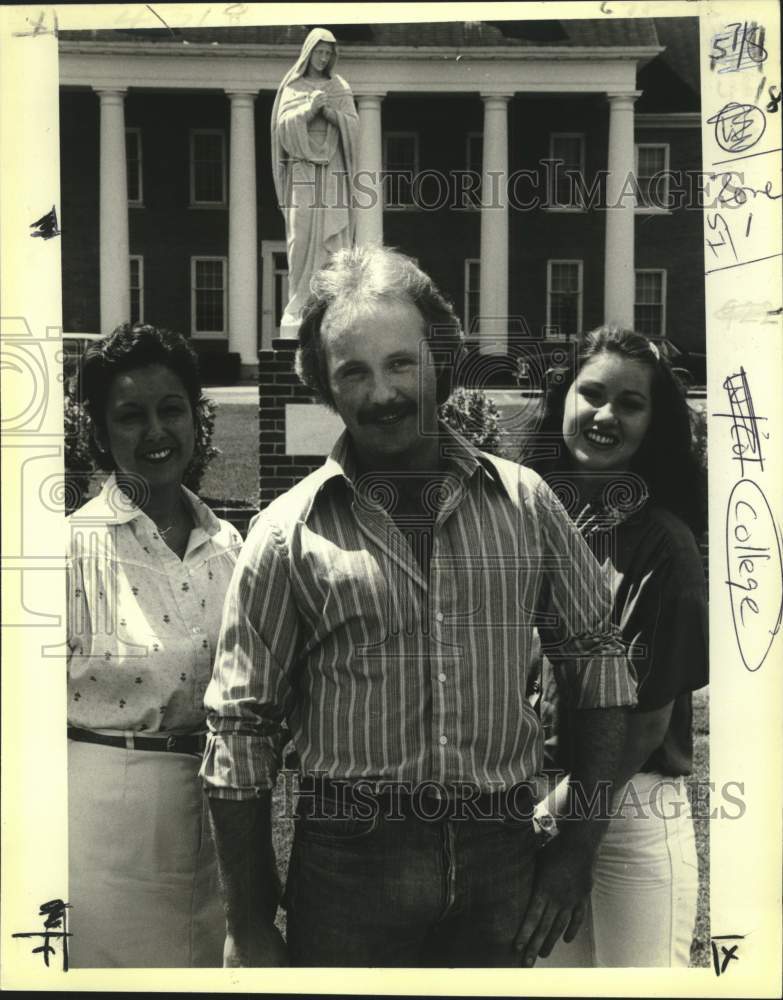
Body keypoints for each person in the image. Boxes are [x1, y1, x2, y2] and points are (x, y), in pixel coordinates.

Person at [200, 245, 638, 968]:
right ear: (325, 389)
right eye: (353, 372)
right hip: (348, 866)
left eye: (400, 362)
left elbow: (597, 670)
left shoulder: (525, 505)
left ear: (439, 358)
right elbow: (240, 733)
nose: (382, 393)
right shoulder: (285, 534)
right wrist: (248, 921)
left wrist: (573, 854)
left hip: (500, 855)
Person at [525, 325, 708, 967]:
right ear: (564, 402)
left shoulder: (666, 545)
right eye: (592, 394)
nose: (605, 415)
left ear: (652, 425)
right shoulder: (532, 525)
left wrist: (568, 832)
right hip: (541, 800)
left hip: (629, 809)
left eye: (630, 404)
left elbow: (648, 722)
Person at [66, 323, 243, 967]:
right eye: (130, 416)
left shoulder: (230, 546)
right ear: (102, 432)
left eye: (171, 409)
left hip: (219, 817)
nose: (156, 432)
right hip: (106, 822)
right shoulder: (69, 550)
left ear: (197, 418)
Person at [271, 27, 359, 337]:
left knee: (333, 241)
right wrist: (309, 110)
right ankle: (299, 304)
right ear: (308, 53)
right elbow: (282, 131)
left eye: (328, 53)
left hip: (332, 170)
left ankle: (331, 303)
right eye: (319, 52)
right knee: (301, 236)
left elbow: (353, 128)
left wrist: (330, 112)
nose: (323, 58)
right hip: (303, 169)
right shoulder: (292, 86)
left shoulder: (340, 86)